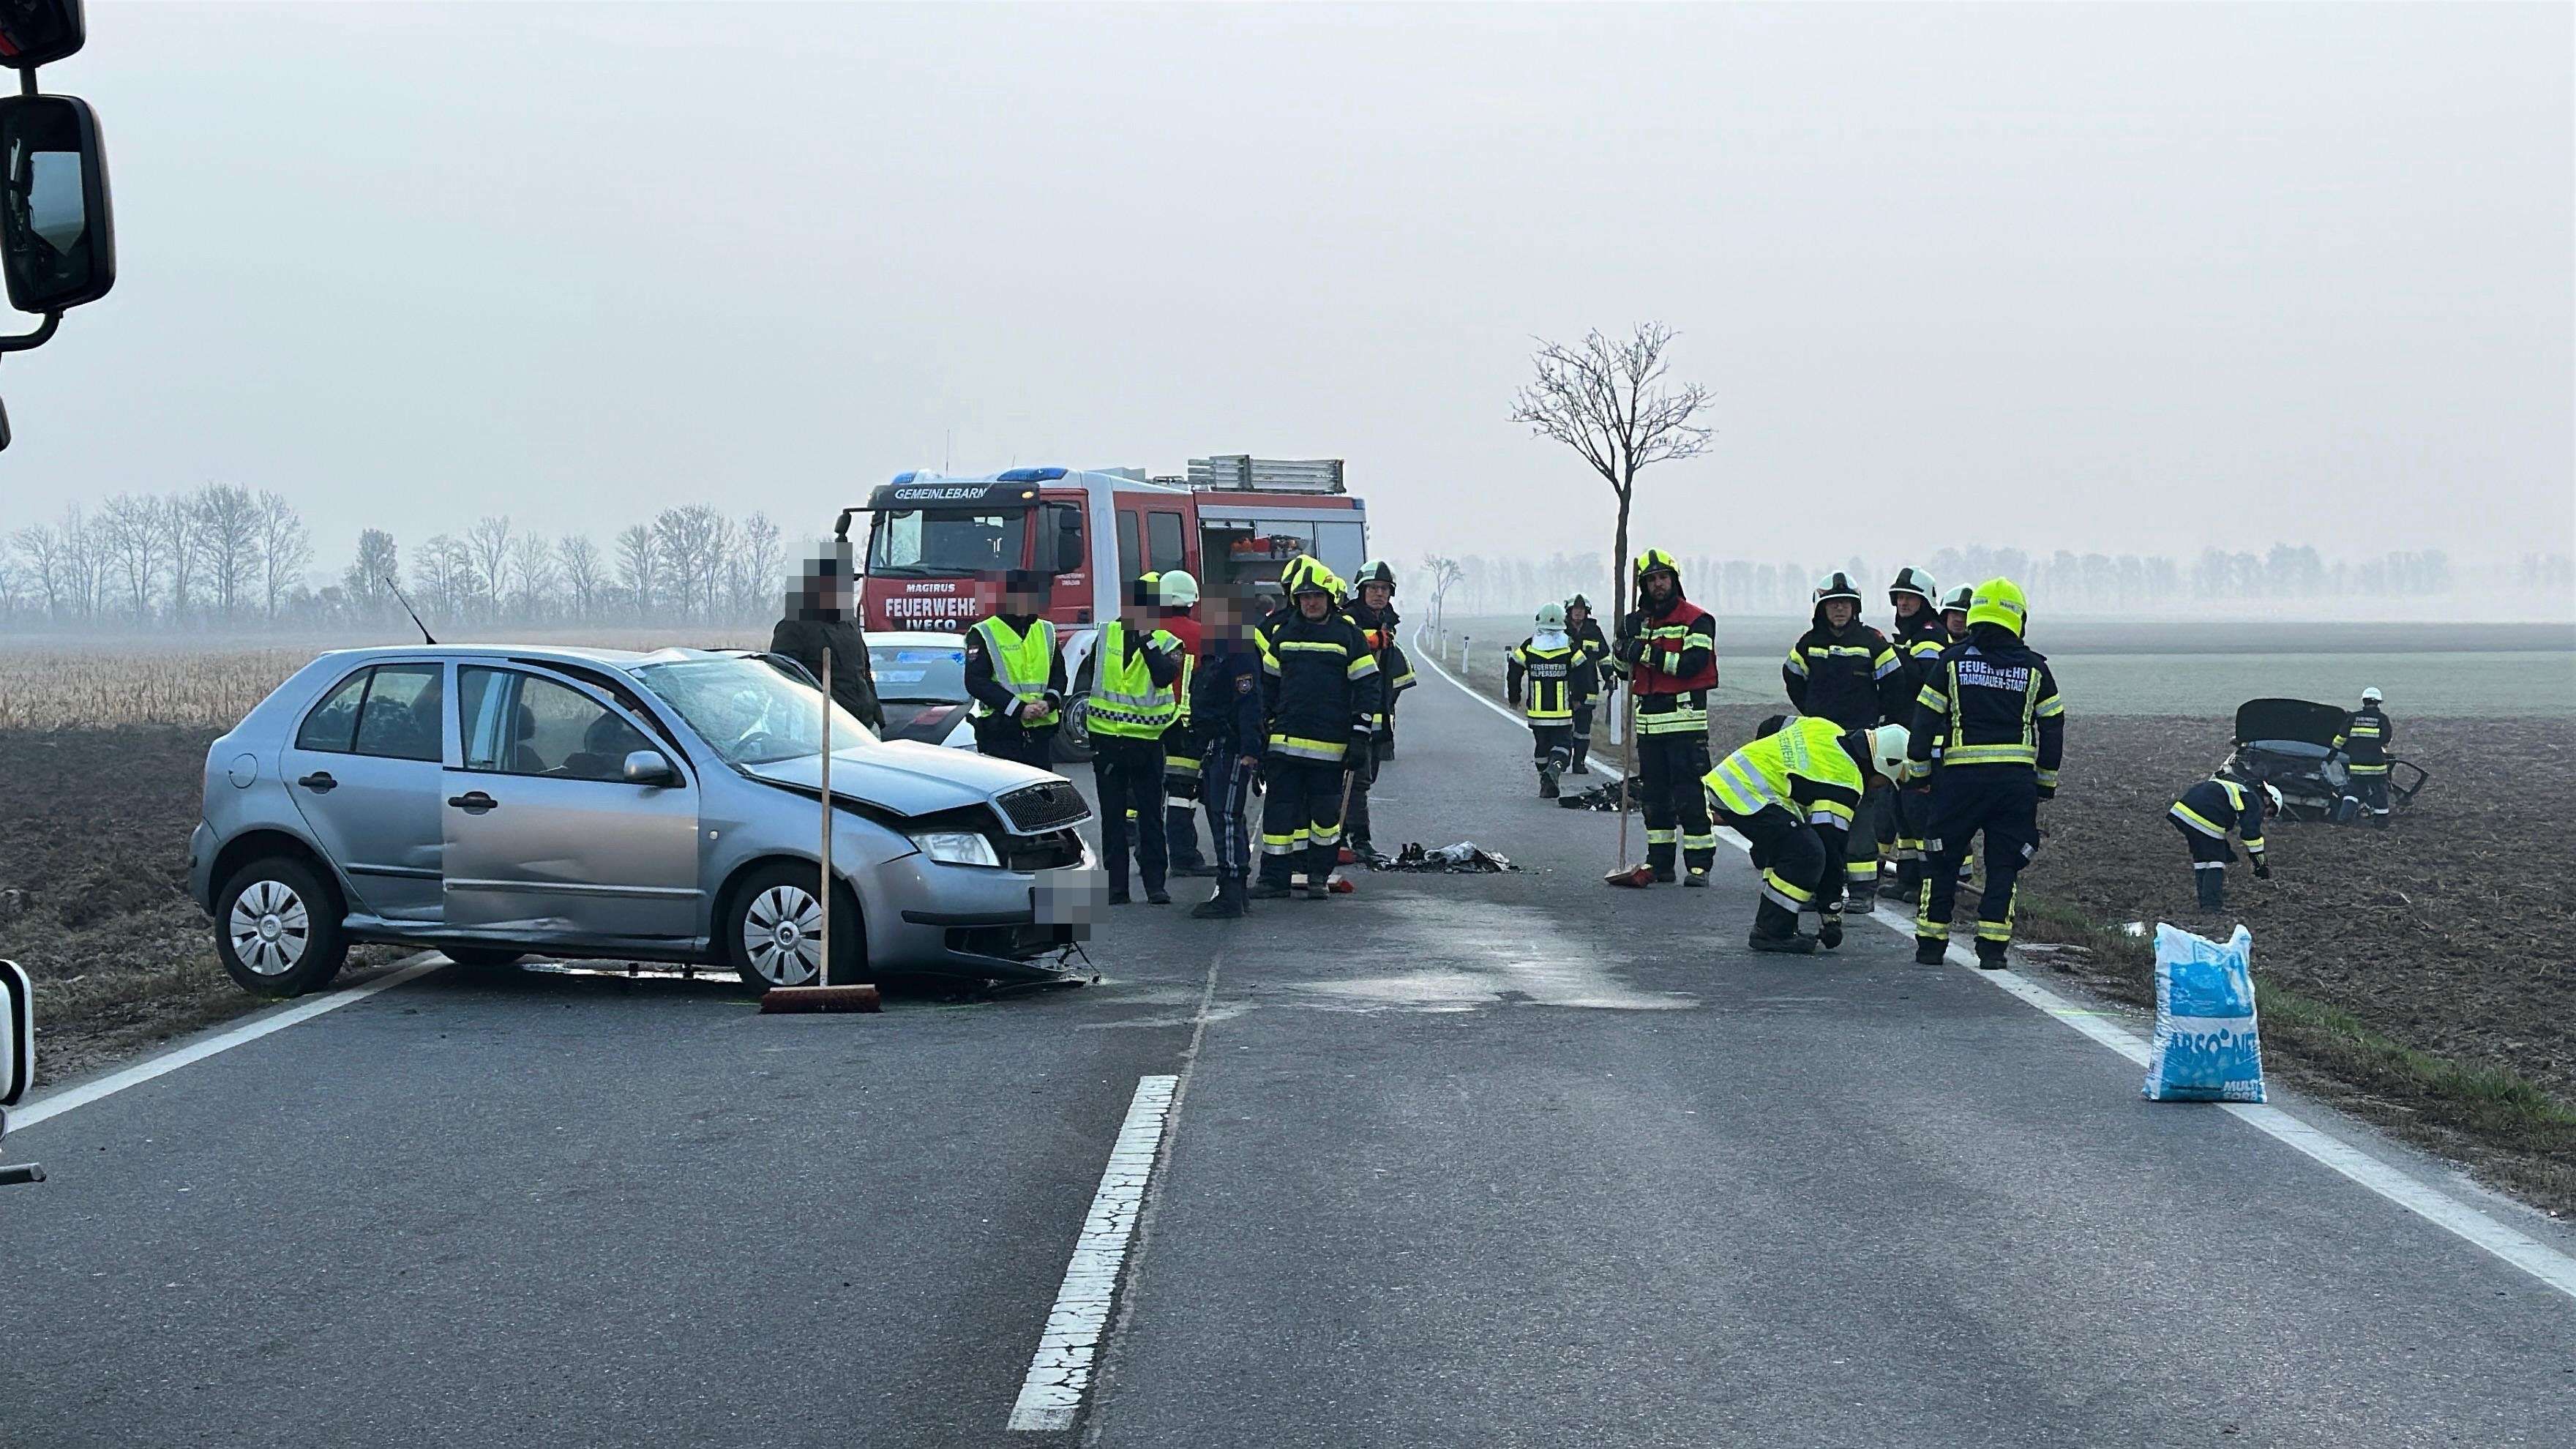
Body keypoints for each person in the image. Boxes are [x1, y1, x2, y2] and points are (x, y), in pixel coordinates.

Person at [1905, 577, 2065, 969]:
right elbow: (2054, 727)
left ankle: (1930, 946)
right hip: (2014, 786)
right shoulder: (2036, 669)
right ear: (2019, 620)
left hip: (1959, 783)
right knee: (2004, 865)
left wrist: (1921, 773)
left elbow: (1924, 720)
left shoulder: (1953, 661)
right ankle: (1992, 951)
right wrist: (2045, 782)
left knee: (1941, 860)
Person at [1707, 716, 1909, 953]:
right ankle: (1772, 932)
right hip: (1746, 796)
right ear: (1882, 764)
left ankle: (1778, 925)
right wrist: (1830, 913)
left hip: (1732, 781)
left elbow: (1775, 724)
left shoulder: (1827, 728)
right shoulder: (1844, 781)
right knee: (1807, 853)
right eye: (1884, 781)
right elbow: (1831, 850)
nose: (1879, 787)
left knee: (1796, 844)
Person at [1254, 558, 1385, 900]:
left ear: (1330, 599)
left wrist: (1360, 735)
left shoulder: (1348, 636)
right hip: (1283, 747)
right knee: (1279, 817)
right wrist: (1264, 728)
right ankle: (1273, 879)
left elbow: (1368, 687)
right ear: (1296, 599)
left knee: (1325, 820)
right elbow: (1267, 687)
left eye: (1317, 596)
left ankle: (1317, 875)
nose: (1311, 602)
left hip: (1330, 748)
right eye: (1305, 596)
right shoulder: (1283, 635)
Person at [1786, 571, 1906, 907]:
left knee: (1860, 812)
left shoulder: (1873, 643)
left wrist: (1879, 723)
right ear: (1821, 609)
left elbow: (1896, 686)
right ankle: (1822, 887)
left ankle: (1863, 892)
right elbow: (1793, 678)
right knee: (1818, 813)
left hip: (1860, 743)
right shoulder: (1808, 644)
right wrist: (1811, 713)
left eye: (1845, 604)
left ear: (1856, 608)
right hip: (1819, 744)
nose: (1839, 610)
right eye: (1833, 604)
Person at [1611, 550, 1720, 885]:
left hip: (1685, 724)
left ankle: (1699, 865)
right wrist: (1622, 643)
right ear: (1643, 585)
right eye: (1652, 580)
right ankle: (1660, 864)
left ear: (1674, 579)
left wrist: (1642, 651)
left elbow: (1691, 665)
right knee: (1655, 799)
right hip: (1648, 726)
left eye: (1663, 578)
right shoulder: (1640, 623)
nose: (1658, 585)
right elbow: (1624, 673)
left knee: (1689, 797)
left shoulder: (1698, 620)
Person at [1085, 577, 1186, 906]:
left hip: (1146, 744)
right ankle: (1117, 888)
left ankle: (1155, 884)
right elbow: (1091, 676)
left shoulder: (1168, 642)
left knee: (1150, 817)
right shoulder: (1106, 634)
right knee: (1113, 819)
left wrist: (1146, 639)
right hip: (1108, 742)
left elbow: (1162, 675)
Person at [1188, 583, 1268, 918]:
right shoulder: (1219, 649)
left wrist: (1251, 748)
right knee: (1221, 814)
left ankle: (1233, 891)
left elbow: (1249, 701)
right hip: (1217, 744)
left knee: (1226, 816)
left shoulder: (1239, 651)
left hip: (1232, 745)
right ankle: (1232, 887)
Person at [768, 545, 885, 733]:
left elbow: (865, 673)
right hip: (825, 729)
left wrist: (877, 717)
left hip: (864, 725)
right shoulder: (794, 627)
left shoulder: (848, 622)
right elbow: (783, 682)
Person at [1341, 560, 1414, 858]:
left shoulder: (1388, 622)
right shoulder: (1348, 618)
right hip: (1349, 710)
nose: (1378, 594)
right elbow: (1344, 639)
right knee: (1355, 781)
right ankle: (1358, 840)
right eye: (1372, 588)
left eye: (1384, 589)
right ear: (1361, 590)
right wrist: (1373, 639)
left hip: (1378, 713)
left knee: (1365, 779)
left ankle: (1348, 836)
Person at [962, 571, 1066, 769]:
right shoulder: (984, 632)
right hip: (1001, 732)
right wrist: (1019, 709)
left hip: (1041, 731)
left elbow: (1058, 675)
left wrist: (1049, 702)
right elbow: (976, 682)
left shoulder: (1046, 630)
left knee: (1041, 797)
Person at [1884, 568, 1945, 902]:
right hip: (1904, 735)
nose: (1904, 603)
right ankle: (1907, 878)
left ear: (1924, 601)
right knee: (1902, 812)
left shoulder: (1929, 635)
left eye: (1910, 597)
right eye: (1900, 597)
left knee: (1918, 812)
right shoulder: (1908, 635)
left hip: (1924, 739)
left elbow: (1923, 682)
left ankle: (1926, 882)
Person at [1153, 571, 1213, 875]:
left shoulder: (1149, 631)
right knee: (1180, 793)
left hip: (1146, 726)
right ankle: (1183, 857)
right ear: (1192, 602)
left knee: (1149, 794)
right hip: (1186, 726)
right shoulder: (1203, 635)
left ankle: (1148, 862)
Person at [1507, 603, 1598, 798]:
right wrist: (1579, 698)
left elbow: (1514, 669)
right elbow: (1583, 672)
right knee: (1563, 746)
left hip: (1537, 714)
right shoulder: (1569, 645)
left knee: (1542, 748)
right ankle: (1554, 772)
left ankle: (1545, 779)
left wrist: (1514, 697)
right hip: (1562, 713)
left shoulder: (1529, 645)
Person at [2171, 771, 2278, 912]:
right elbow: (2252, 836)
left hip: (2182, 812)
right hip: (2206, 815)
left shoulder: (2239, 787)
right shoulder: (2254, 799)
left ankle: (2204, 903)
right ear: (2268, 799)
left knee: (2202, 859)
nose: (2265, 816)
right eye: (2269, 813)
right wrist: (2261, 864)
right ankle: (2212, 906)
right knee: (2216, 861)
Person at [1563, 594, 1613, 776]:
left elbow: (1604, 657)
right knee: (1564, 727)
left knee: (1583, 730)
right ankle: (1563, 760)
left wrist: (1609, 677)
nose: (1578, 613)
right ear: (1569, 612)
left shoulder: (1594, 631)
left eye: (1581, 610)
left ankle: (1579, 763)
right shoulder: (1561, 630)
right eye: (1575, 610)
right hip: (1564, 688)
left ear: (1587, 612)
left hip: (1588, 688)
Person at [2334, 686, 2395, 828]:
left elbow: (2340, 738)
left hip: (2357, 766)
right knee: (2379, 792)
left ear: (2364, 701)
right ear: (2379, 702)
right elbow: (2386, 739)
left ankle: (2343, 819)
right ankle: (2381, 823)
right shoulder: (2382, 719)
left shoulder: (2353, 718)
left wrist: (2333, 752)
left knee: (2353, 792)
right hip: (2376, 767)